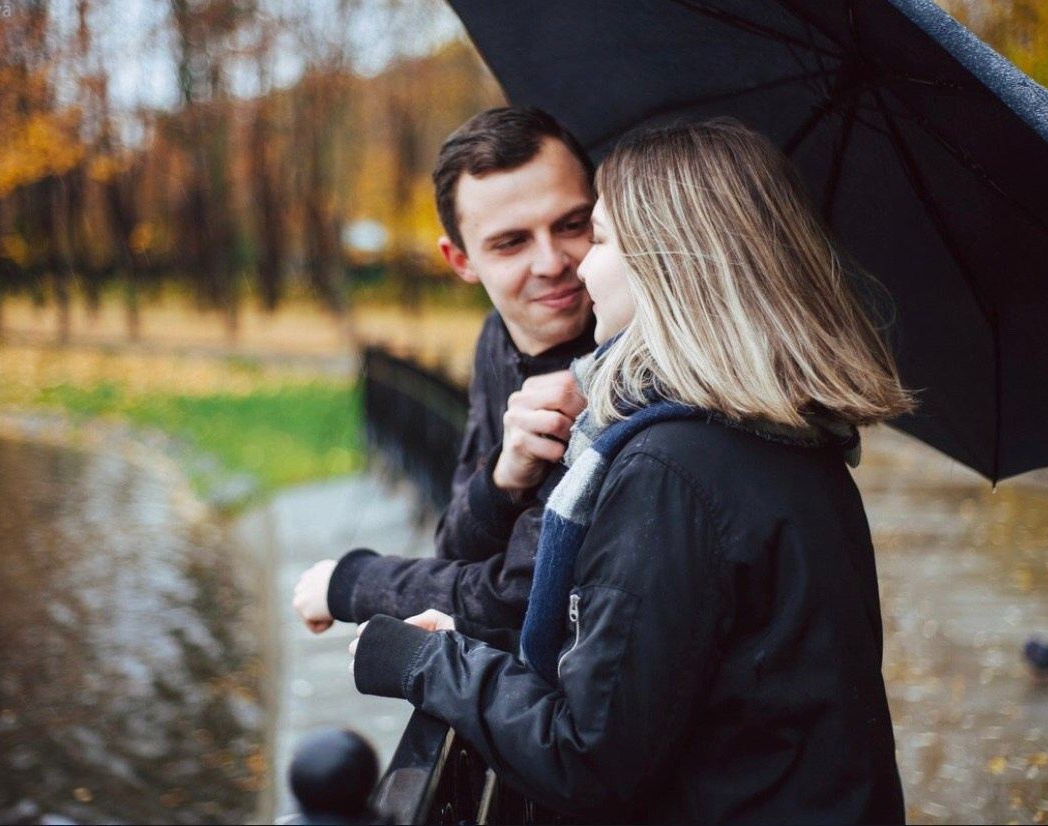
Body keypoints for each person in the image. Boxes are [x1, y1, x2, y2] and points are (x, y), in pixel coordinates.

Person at [349, 119, 913, 823]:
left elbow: (586, 756)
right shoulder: (777, 425)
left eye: (600, 237)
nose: (579, 267)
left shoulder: (669, 469)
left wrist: (417, 662)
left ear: (668, 265)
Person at [292, 107, 598, 632]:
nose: (551, 262)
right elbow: (455, 546)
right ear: (460, 261)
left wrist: (353, 584)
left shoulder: (634, 364)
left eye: (572, 225)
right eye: (511, 242)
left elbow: (523, 593)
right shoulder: (496, 341)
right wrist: (503, 476)